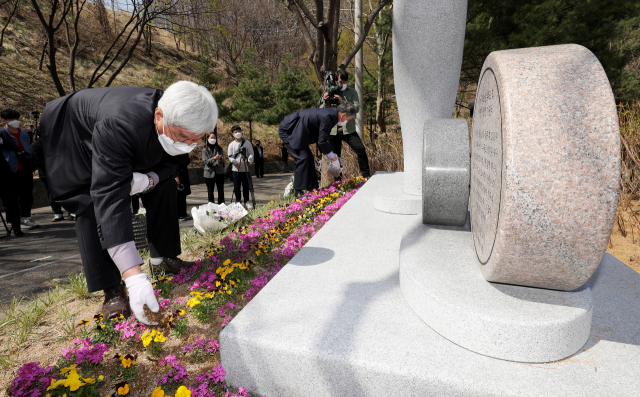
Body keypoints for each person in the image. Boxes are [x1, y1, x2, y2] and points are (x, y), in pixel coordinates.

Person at [39, 81, 217, 324]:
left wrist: (149, 180)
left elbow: (173, 164)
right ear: (158, 116)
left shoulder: (182, 114)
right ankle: (112, 287)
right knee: (90, 202)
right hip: (73, 134)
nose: (188, 145)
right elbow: (109, 197)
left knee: (165, 184)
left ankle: (162, 258)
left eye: (196, 140)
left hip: (133, 133)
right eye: (183, 137)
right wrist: (134, 276)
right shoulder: (120, 124)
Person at [279, 103, 357, 196]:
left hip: (299, 132)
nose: (346, 122)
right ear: (343, 115)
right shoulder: (329, 117)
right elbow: (322, 141)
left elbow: (321, 137)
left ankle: (312, 188)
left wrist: (330, 155)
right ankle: (298, 191)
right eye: (348, 120)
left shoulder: (332, 115)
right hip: (290, 129)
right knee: (303, 158)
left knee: (309, 157)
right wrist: (332, 157)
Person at [319, 70, 371, 179]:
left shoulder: (352, 92)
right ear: (335, 81)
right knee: (335, 158)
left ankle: (366, 177)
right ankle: (338, 183)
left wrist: (342, 102)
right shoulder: (329, 91)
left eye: (345, 81)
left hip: (349, 129)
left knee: (361, 150)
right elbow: (320, 111)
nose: (342, 83)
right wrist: (325, 101)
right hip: (333, 131)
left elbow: (356, 108)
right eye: (340, 81)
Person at [1, 109, 40, 230]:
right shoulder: (2, 135)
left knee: (27, 195)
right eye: (12, 119)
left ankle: (26, 218)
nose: (15, 121)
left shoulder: (24, 134)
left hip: (25, 168)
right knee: (12, 198)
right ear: (4, 120)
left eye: (17, 119)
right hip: (9, 170)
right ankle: (15, 221)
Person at [30, 133, 65, 222]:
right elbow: (38, 161)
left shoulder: (55, 142)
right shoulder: (35, 145)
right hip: (46, 173)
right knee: (51, 194)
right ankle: (57, 212)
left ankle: (71, 210)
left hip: (59, 171)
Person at [0, 131, 22, 236]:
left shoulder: (2, 136)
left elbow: (10, 146)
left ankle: (16, 228)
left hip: (5, 176)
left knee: (12, 202)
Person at [227, 125, 254, 209]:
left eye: (239, 131)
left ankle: (247, 202)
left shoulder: (247, 143)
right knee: (237, 187)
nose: (238, 133)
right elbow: (230, 156)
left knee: (246, 186)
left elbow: (251, 153)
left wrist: (249, 161)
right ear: (232, 134)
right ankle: (238, 202)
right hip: (235, 169)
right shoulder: (231, 145)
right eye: (235, 132)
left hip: (245, 169)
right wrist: (235, 162)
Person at [202, 129, 225, 204]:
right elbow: (206, 161)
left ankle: (221, 205)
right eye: (211, 138)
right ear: (207, 139)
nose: (213, 139)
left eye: (214, 138)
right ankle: (211, 207)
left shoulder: (219, 148)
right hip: (209, 173)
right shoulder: (204, 150)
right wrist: (214, 158)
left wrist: (220, 158)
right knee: (210, 192)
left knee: (221, 191)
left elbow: (224, 160)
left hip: (219, 172)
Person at [176, 154, 192, 221]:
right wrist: (176, 176)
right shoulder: (174, 151)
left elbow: (188, 161)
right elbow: (174, 164)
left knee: (183, 195)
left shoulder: (184, 151)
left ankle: (184, 213)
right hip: (178, 175)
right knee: (178, 196)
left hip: (184, 173)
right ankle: (179, 214)